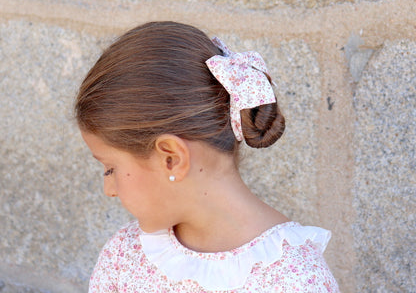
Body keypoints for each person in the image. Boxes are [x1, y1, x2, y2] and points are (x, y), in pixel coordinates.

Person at [75, 21, 339, 292]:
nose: (108, 189)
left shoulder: (294, 280)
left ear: (172, 158)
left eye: (110, 168)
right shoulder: (125, 256)